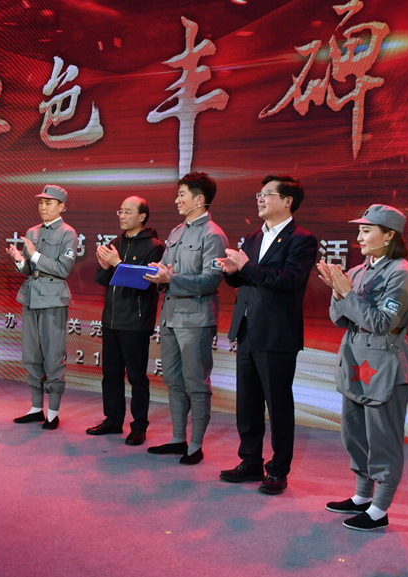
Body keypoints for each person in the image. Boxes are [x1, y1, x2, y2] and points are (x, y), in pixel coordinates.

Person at [317, 204, 408, 531]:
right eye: (359, 230)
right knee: (355, 434)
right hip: (355, 359)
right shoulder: (359, 271)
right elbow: (339, 319)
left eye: (366, 230)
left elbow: (380, 323)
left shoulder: (402, 273)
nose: (359, 237)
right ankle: (363, 496)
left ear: (389, 236)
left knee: (383, 438)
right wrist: (339, 293)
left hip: (384, 364)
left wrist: (347, 294)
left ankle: (379, 509)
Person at [216, 176, 317, 495]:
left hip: (277, 334)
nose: (260, 199)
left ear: (287, 201)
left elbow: (289, 280)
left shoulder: (302, 239)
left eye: (267, 194)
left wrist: (246, 267)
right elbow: (247, 280)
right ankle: (250, 461)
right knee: (247, 402)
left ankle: (277, 470)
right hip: (248, 329)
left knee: (278, 404)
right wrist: (231, 273)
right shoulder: (253, 237)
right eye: (258, 194)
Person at [144, 172, 227, 465]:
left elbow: (211, 280)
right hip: (170, 316)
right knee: (173, 379)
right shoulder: (177, 231)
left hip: (196, 318)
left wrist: (172, 278)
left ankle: (196, 445)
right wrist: (157, 273)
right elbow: (167, 269)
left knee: (196, 382)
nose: (177, 200)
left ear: (199, 199)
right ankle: (178, 438)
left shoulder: (213, 234)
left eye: (182, 194)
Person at [87, 196, 164, 445]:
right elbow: (103, 280)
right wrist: (104, 266)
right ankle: (113, 420)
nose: (122, 215)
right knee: (110, 374)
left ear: (142, 217)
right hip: (111, 319)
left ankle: (139, 426)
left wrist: (118, 263)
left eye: (128, 211)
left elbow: (144, 282)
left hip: (136, 322)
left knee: (137, 377)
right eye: (120, 211)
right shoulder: (115, 243)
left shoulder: (155, 247)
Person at [7, 185, 78, 430]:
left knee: (53, 356)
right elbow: (30, 268)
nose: (43, 207)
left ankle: (53, 412)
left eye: (48, 203)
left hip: (53, 299)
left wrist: (35, 255)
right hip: (31, 297)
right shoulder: (32, 231)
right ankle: (36, 408)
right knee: (31, 355)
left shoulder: (68, 233)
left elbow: (63, 269)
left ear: (61, 207)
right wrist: (20, 261)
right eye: (41, 203)